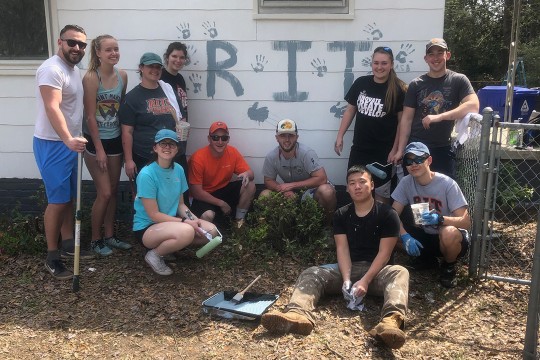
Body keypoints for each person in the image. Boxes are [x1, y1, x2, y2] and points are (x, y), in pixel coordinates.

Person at [261, 165, 409, 349]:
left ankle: (391, 322)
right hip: (348, 267)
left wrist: (365, 281)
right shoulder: (341, 214)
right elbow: (342, 249)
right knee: (312, 272)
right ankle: (297, 313)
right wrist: (346, 280)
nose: (357, 186)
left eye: (362, 182)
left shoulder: (388, 214)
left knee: (400, 272)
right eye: (352, 183)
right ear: (347, 188)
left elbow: (385, 253)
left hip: (377, 272)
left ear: (372, 185)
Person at [33, 24, 94, 280]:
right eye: (72, 43)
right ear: (60, 42)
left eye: (82, 45)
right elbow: (52, 107)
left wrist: (74, 138)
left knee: (69, 198)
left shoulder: (74, 69)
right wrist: (68, 138)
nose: (77, 48)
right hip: (53, 144)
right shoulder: (51, 69)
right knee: (57, 202)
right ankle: (52, 256)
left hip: (71, 143)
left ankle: (69, 243)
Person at [390, 38, 479, 178]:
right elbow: (406, 119)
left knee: (443, 193)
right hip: (416, 147)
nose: (435, 58)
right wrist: (400, 150)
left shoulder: (458, 80)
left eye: (440, 53)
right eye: (431, 54)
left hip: (442, 147)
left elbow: (473, 105)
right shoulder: (416, 84)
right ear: (426, 58)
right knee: (415, 194)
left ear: (447, 55)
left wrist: (439, 117)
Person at [133, 129, 218, 276]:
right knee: (187, 231)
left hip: (172, 223)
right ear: (155, 148)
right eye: (163, 143)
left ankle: (169, 248)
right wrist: (185, 222)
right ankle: (154, 255)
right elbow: (154, 215)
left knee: (211, 232)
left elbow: (180, 205)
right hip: (148, 228)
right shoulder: (147, 174)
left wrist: (194, 220)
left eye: (171, 144)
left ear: (177, 149)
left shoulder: (178, 169)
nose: (167, 147)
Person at [391, 142, 471, 288]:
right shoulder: (406, 182)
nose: (414, 164)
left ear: (429, 160)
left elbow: (466, 222)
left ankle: (449, 266)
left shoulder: (447, 184)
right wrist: (405, 236)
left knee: (448, 232)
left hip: (448, 237)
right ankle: (426, 259)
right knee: (388, 230)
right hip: (424, 233)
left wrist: (440, 219)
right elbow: (392, 215)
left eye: (419, 159)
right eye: (409, 160)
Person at [334, 46, 407, 203]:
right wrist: (340, 135)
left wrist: (395, 150)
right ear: (371, 64)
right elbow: (349, 111)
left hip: (383, 152)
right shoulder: (361, 83)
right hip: (359, 149)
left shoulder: (399, 89)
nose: (379, 67)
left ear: (392, 64)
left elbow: (402, 123)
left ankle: (379, 227)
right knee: (355, 190)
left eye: (384, 63)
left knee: (381, 196)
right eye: (376, 63)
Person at [82, 34, 131, 256]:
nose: (114, 53)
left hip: (114, 140)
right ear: (98, 53)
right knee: (104, 193)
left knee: (112, 190)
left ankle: (110, 235)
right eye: (109, 49)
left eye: (116, 49)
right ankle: (95, 239)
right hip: (95, 142)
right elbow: (90, 116)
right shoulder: (92, 78)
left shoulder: (123, 76)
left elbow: (120, 109)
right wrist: (99, 149)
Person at [119, 52, 184, 181]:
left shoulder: (168, 91)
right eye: (151, 66)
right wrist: (129, 160)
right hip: (144, 156)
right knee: (147, 195)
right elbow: (127, 132)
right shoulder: (132, 98)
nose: (155, 70)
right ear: (141, 68)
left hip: (169, 154)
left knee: (169, 193)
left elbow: (180, 118)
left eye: (158, 67)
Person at [261, 119, 336, 224]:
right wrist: (283, 189)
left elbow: (322, 178)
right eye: (283, 136)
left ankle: (327, 227)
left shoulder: (306, 153)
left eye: (291, 135)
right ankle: (273, 230)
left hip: (311, 191)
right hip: (289, 192)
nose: (287, 140)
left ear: (297, 137)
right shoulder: (271, 156)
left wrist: (291, 185)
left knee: (327, 191)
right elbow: (268, 180)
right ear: (277, 138)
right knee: (265, 195)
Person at [188, 121, 256, 228]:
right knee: (208, 215)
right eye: (215, 137)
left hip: (222, 190)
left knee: (250, 185)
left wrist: (246, 174)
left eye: (224, 138)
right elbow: (196, 192)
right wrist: (221, 203)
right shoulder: (198, 158)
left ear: (228, 139)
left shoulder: (232, 152)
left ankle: (239, 223)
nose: (220, 141)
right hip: (204, 196)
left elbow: (251, 173)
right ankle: (210, 235)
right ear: (209, 139)